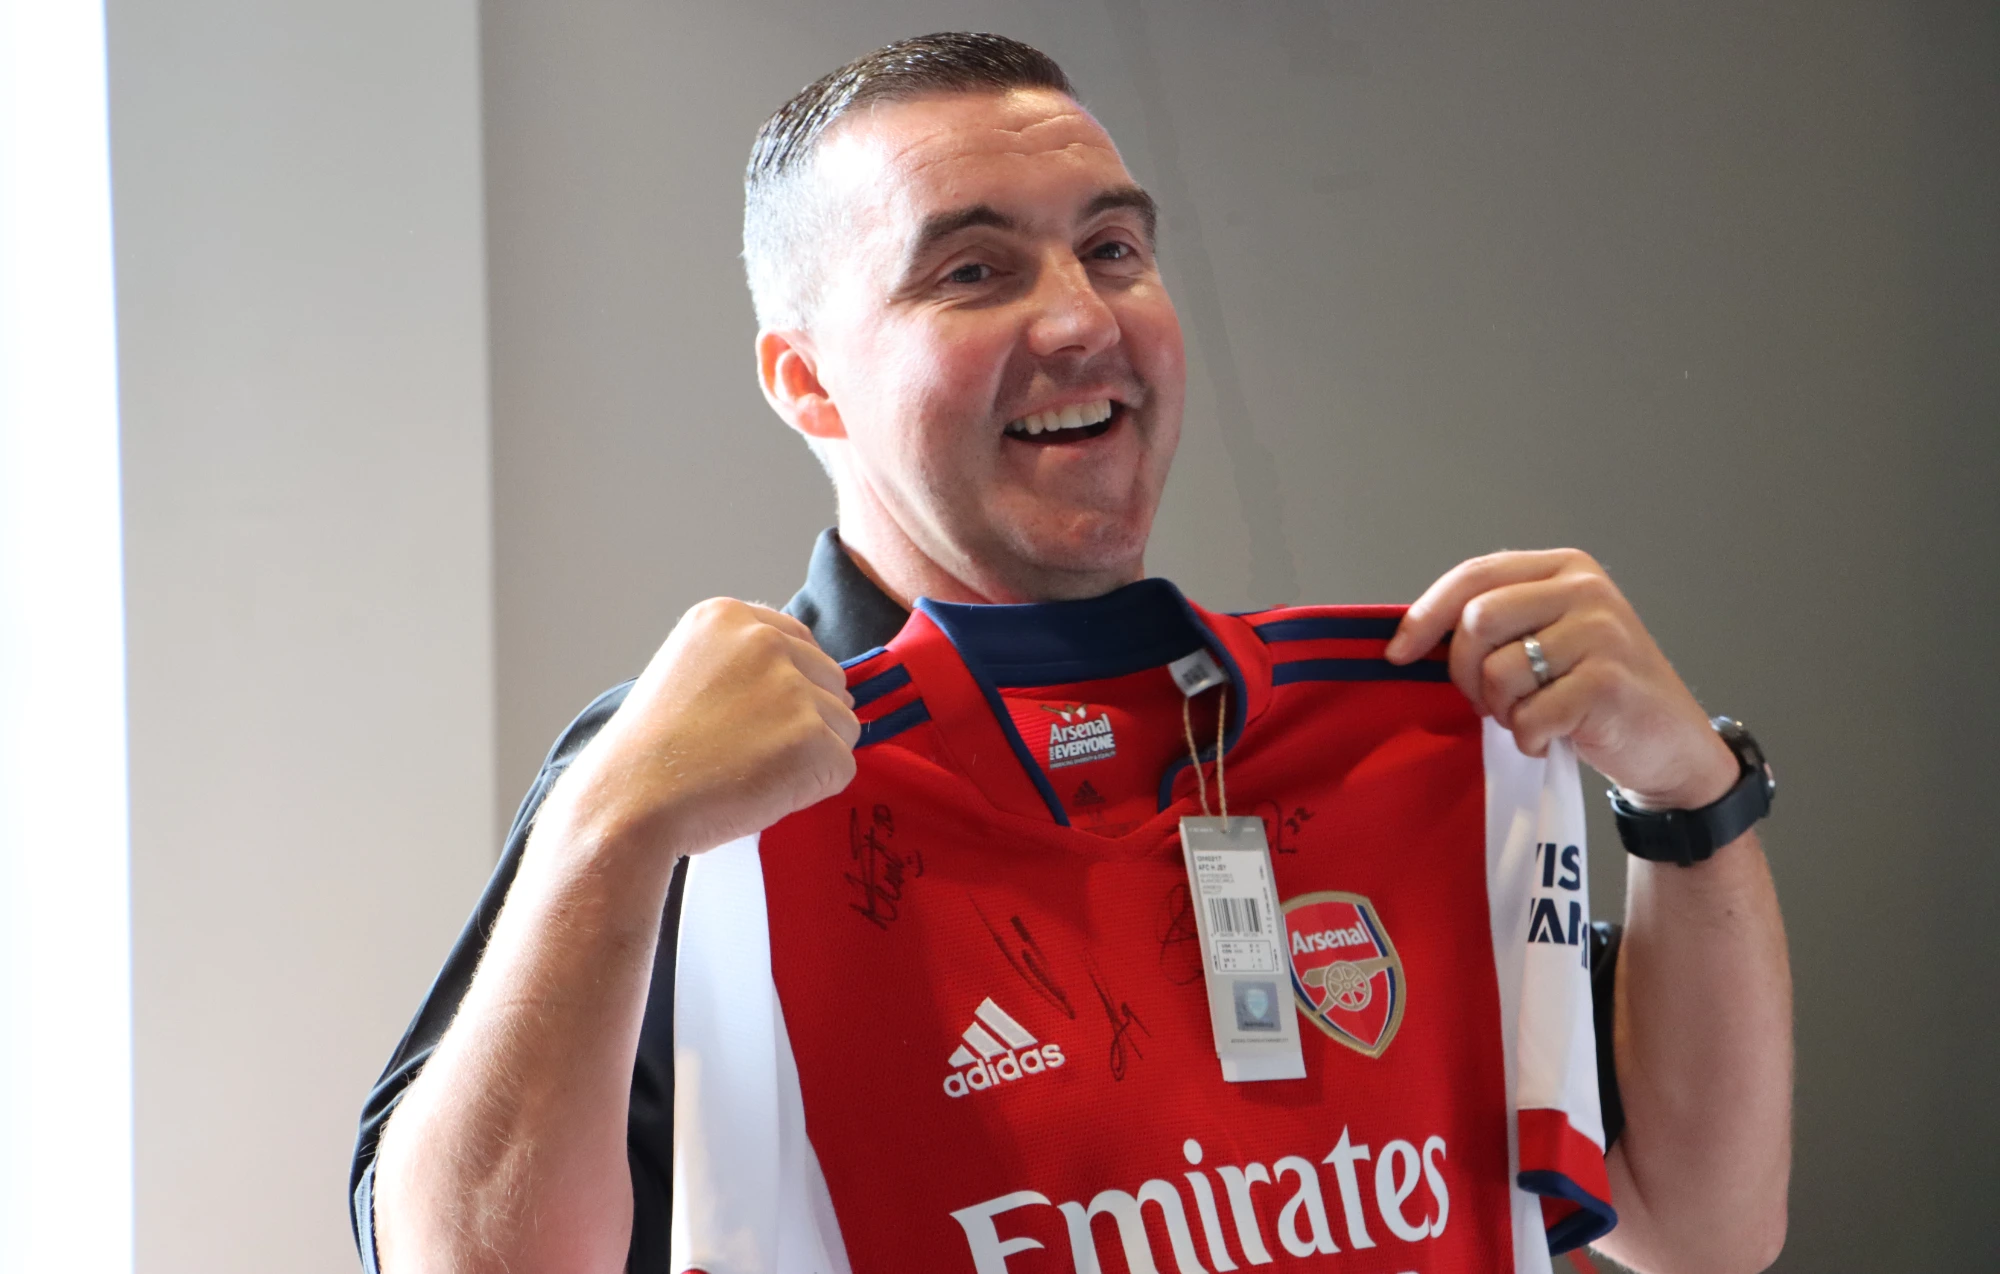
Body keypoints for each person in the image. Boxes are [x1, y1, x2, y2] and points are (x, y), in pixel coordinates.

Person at [353, 32, 1790, 1274]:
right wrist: (608, 827)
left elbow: (1699, 1229)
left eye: (1113, 250)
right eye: (972, 270)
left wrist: (1689, 801)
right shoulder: (698, 797)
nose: (1081, 318)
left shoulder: (1382, 746)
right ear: (807, 379)